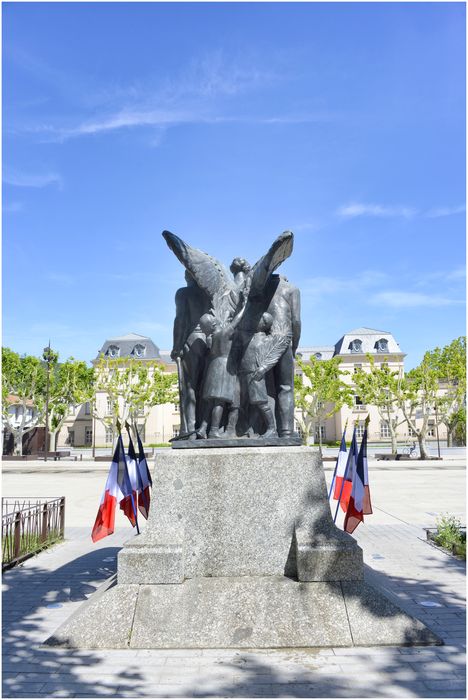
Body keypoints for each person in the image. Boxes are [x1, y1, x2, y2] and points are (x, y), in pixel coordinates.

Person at [197, 296, 248, 439]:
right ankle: (213, 430)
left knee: (212, 401)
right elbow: (237, 320)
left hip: (214, 367)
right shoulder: (223, 333)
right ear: (213, 324)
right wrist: (244, 305)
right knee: (220, 400)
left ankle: (203, 428)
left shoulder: (210, 338)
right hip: (224, 367)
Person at [171, 271, 211, 438]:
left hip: (191, 339)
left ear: (188, 277)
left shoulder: (183, 293)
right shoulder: (209, 294)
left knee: (190, 387)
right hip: (209, 340)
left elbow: (180, 319)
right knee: (206, 388)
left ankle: (189, 430)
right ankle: (205, 429)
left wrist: (177, 346)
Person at [239, 312, 278, 438]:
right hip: (244, 372)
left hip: (255, 374)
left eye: (259, 318)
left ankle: (272, 429)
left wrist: (262, 369)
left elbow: (272, 357)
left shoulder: (267, 339)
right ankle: (249, 428)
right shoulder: (250, 336)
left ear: (265, 323)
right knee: (248, 403)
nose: (256, 320)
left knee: (261, 402)